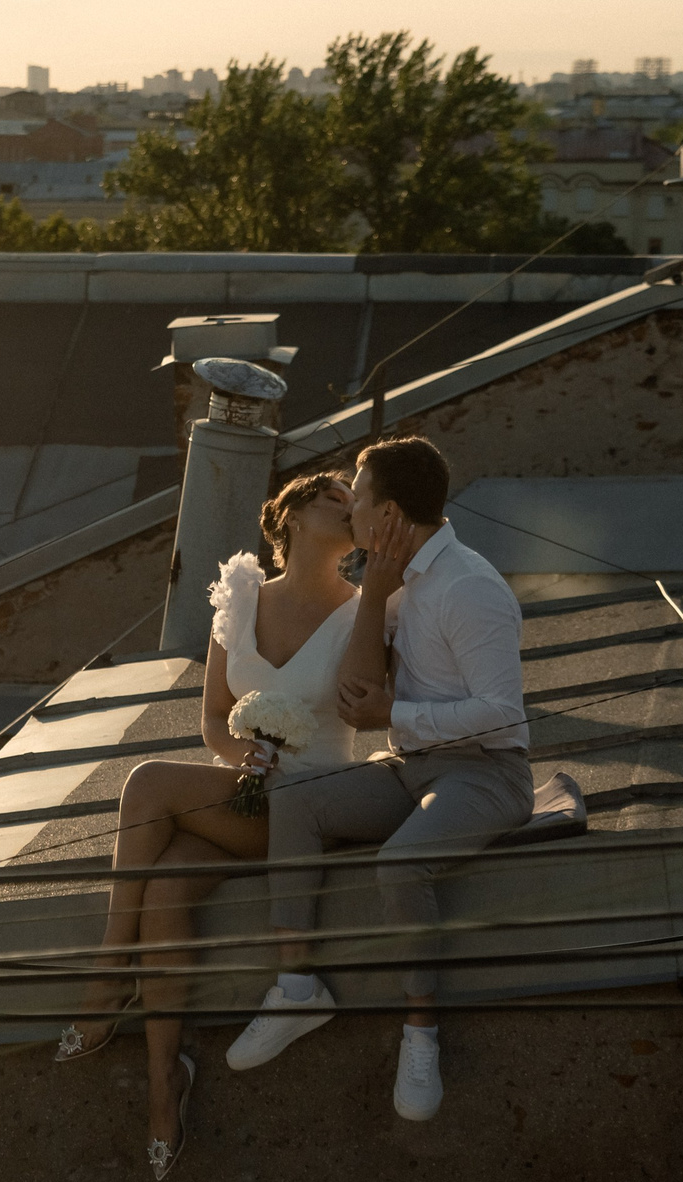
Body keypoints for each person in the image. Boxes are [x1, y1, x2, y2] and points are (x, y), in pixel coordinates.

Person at [54, 472, 358, 1180]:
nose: (349, 506)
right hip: (248, 795)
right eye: (331, 498)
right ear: (290, 517)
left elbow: (375, 710)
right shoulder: (243, 591)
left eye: (355, 502)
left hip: (319, 801)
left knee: (149, 782)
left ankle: (108, 972)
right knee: (164, 888)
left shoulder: (366, 609)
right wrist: (245, 753)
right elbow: (216, 720)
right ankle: (167, 1082)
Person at [224, 435, 530, 1123]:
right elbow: (356, 695)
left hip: (487, 773)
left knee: (402, 863)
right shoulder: (398, 583)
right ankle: (297, 988)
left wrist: (399, 711)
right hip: (413, 765)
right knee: (293, 802)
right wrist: (376, 592)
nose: (349, 503)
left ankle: (420, 1032)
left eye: (357, 495)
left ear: (387, 509)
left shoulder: (469, 586)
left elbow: (501, 713)